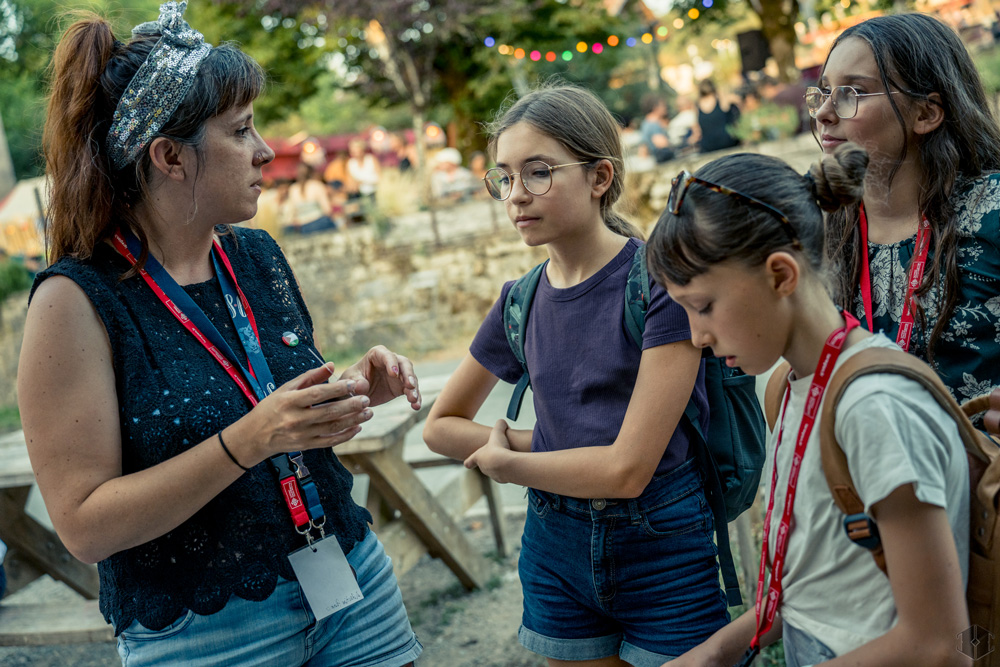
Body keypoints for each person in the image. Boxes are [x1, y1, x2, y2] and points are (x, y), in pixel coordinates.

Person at [20, 5, 423, 665]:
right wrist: (254, 438)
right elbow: (84, 525)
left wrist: (349, 390)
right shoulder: (74, 301)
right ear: (170, 156)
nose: (265, 149)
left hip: (351, 581)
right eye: (241, 130)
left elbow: (261, 404)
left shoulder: (257, 256)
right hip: (207, 631)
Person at [422, 84, 729, 667]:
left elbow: (627, 469)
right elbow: (441, 426)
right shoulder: (520, 299)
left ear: (599, 177)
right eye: (505, 178)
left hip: (661, 545)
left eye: (538, 173)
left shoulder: (659, 285)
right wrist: (540, 445)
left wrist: (512, 463)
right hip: (553, 546)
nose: (516, 195)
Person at [646, 143, 970, 667]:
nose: (696, 336)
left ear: (780, 275)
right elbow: (821, 583)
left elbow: (936, 644)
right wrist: (713, 653)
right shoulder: (787, 386)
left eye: (702, 306)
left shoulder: (874, 408)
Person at [811, 13, 1000, 416]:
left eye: (851, 93)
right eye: (824, 92)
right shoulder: (831, 226)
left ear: (926, 113)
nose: (824, 112)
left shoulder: (993, 209)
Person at [283, 162, 339, 234]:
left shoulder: (293, 189)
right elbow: (327, 209)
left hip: (303, 228)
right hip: (321, 223)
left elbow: (291, 213)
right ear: (311, 173)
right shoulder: (317, 185)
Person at [696, 79, 741, 153]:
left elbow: (699, 129)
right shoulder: (721, 99)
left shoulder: (698, 105)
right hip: (726, 142)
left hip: (708, 146)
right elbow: (738, 99)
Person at [638, 93, 675, 163]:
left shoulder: (645, 123)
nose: (665, 107)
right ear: (655, 107)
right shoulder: (653, 124)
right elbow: (662, 144)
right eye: (663, 105)